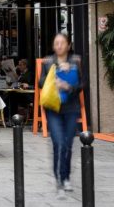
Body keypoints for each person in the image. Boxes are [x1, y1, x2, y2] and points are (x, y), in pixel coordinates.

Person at [38, 33, 83, 197]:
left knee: (68, 144)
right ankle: (59, 181)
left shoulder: (75, 61)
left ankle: (66, 177)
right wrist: (54, 75)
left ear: (68, 45)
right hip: (53, 109)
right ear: (53, 46)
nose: (59, 46)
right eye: (56, 43)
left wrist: (69, 86)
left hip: (71, 108)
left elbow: (82, 84)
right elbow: (40, 82)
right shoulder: (48, 62)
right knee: (58, 144)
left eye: (62, 43)